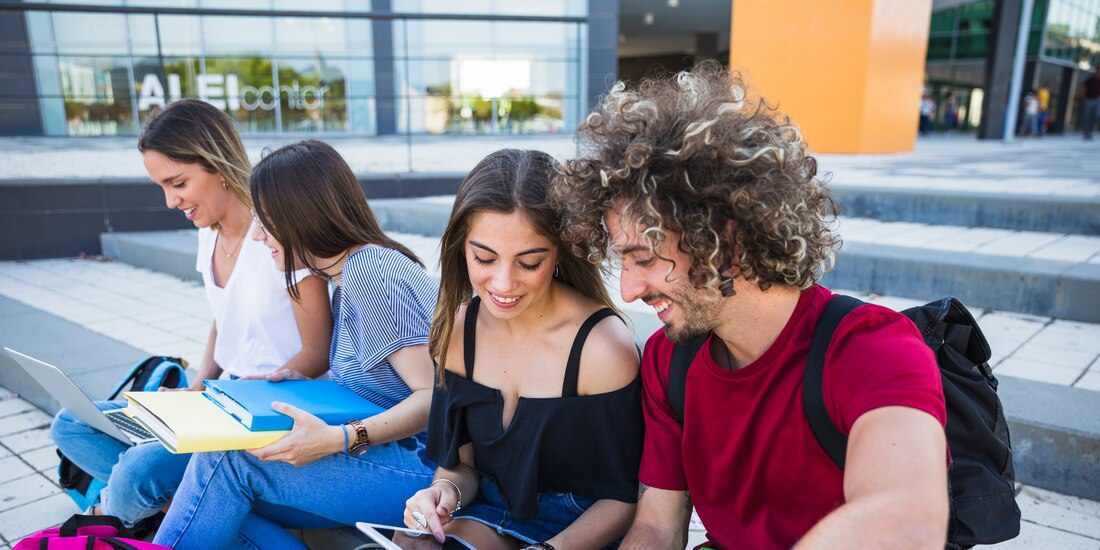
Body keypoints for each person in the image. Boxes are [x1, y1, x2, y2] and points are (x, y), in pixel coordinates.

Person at [551, 62, 949, 549]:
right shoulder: (668, 360)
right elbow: (657, 528)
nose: (629, 290)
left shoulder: (871, 348)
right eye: (624, 263)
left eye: (645, 259)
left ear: (723, 236)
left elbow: (906, 521)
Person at [50, 100, 332, 528]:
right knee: (71, 425)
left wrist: (232, 401)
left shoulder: (278, 233)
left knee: (135, 474)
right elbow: (224, 319)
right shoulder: (209, 233)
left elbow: (317, 353)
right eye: (161, 186)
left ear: (216, 165)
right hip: (220, 399)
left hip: (268, 411)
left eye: (177, 182)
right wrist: (199, 386)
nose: (169, 201)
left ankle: (108, 515)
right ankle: (173, 501)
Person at [153, 140, 438, 549]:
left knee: (226, 459)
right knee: (217, 497)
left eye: (265, 222)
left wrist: (341, 438)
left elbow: (433, 399)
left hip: (423, 470)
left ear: (303, 217)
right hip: (391, 455)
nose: (256, 235)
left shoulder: (372, 273)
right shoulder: (349, 274)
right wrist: (301, 380)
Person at [400, 149, 642, 549]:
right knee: (412, 542)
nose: (503, 283)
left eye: (528, 262)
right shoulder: (458, 330)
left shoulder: (601, 347)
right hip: (495, 514)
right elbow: (460, 468)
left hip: (578, 530)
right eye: (484, 258)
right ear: (462, 248)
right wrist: (442, 493)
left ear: (560, 251)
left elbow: (623, 499)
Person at [1083, 68, 1100, 140]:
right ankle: (1086, 133)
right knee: (1088, 117)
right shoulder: (1090, 80)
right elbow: (1084, 88)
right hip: (1089, 100)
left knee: (1096, 116)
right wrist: (1084, 98)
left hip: (1097, 100)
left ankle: (1091, 131)